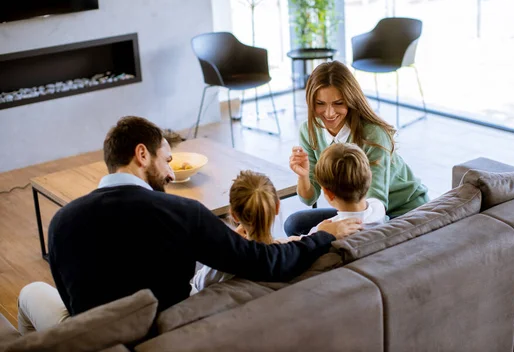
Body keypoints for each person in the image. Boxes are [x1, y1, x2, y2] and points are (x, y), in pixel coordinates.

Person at [18, 116, 362, 331]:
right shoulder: (184, 214)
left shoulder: (60, 222)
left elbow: (72, 298)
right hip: (160, 333)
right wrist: (321, 236)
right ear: (142, 154)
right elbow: (266, 261)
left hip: (92, 339)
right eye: (167, 160)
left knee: (29, 293)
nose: (170, 172)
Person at [285, 61, 429, 236]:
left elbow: (376, 206)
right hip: (358, 208)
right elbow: (308, 198)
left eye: (338, 103)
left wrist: (329, 231)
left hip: (400, 209)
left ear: (351, 100)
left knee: (330, 236)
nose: (329, 113)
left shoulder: (373, 135)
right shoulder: (309, 131)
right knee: (295, 224)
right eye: (320, 103)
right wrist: (303, 175)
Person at [192, 170, 301, 293]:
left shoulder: (226, 262)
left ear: (234, 215)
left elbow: (199, 283)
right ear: (276, 207)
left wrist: (230, 245)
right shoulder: (294, 249)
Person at [306, 143, 388, 235]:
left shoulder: (325, 231)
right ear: (369, 178)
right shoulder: (378, 207)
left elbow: (302, 244)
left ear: (329, 193)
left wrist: (319, 233)